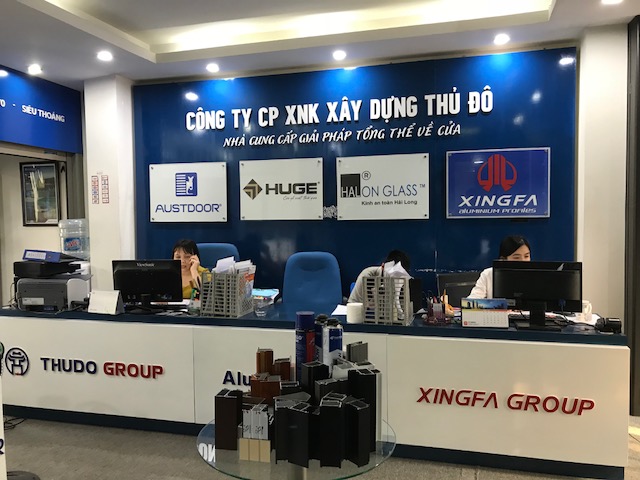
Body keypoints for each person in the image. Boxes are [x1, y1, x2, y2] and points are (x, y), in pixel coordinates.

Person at [468, 235, 531, 299]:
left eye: (526, 256)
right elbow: (473, 299)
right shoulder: (488, 274)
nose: (523, 261)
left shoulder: (535, 275)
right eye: (516, 257)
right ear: (503, 259)